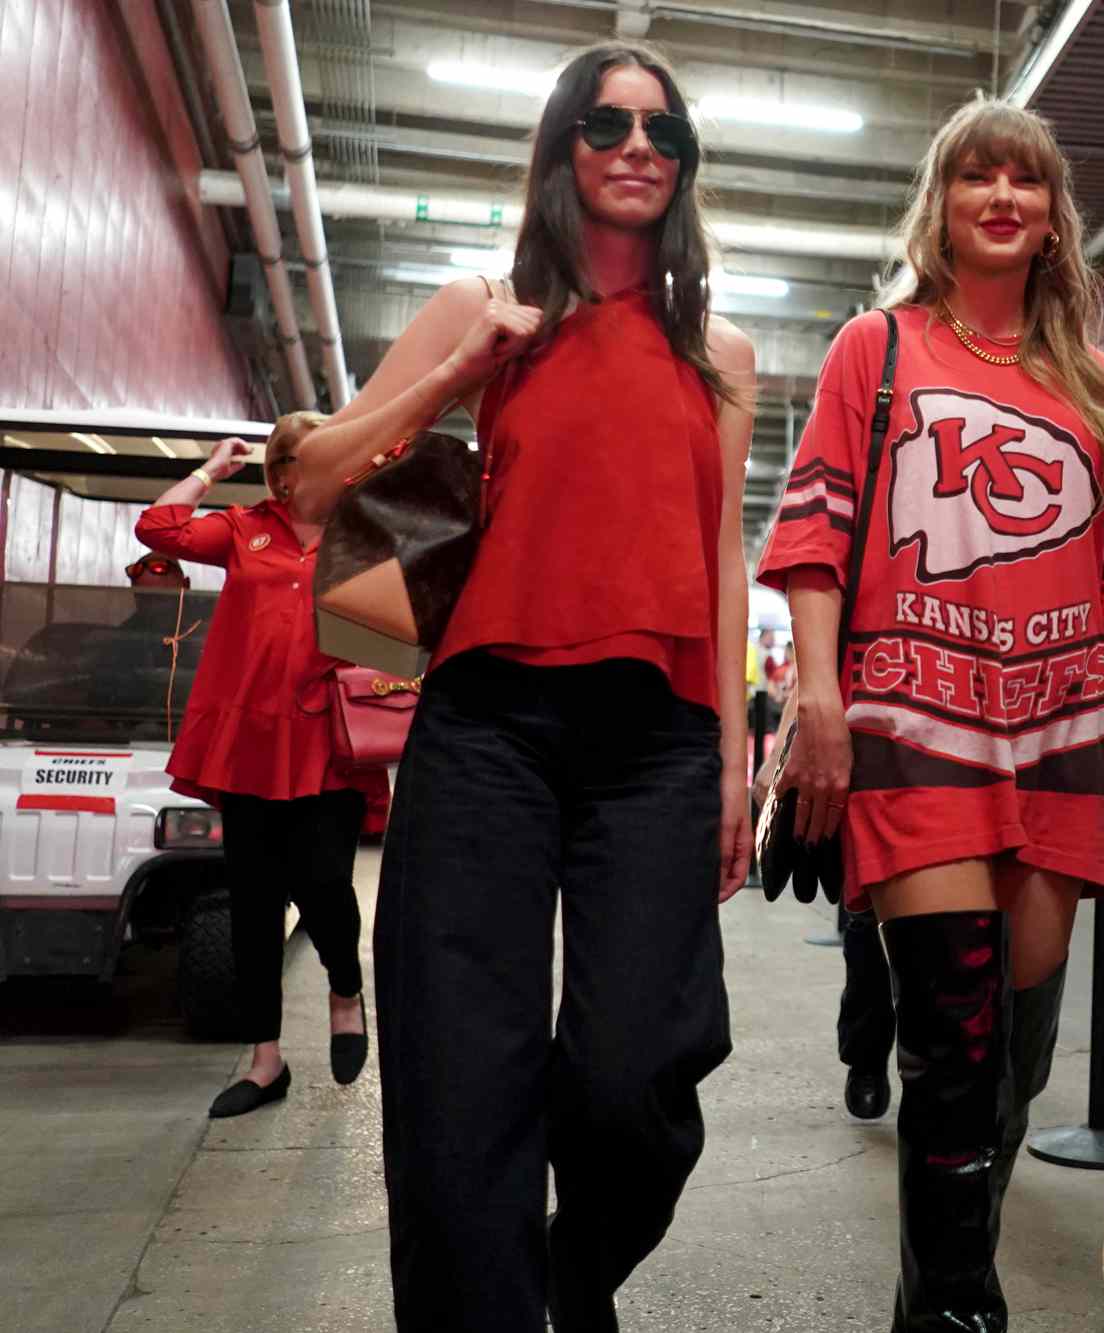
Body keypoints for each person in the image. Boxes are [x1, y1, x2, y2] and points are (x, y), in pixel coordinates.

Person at [290, 43, 755, 1332]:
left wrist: (733, 763)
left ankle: (567, 1274)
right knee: (457, 1077)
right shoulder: (478, 304)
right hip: (487, 728)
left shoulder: (720, 352)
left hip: (658, 743)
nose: (635, 145)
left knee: (635, 1075)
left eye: (662, 130)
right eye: (604, 123)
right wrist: (460, 371)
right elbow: (309, 484)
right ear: (560, 147)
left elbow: (722, 559)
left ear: (685, 165)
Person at [757, 96, 1104, 1333]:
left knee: (1013, 1046)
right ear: (941, 208)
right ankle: (961, 1304)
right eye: (977, 179)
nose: (1002, 198)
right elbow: (817, 529)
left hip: (1056, 733)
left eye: (1026, 181)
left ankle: (928, 1290)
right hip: (915, 720)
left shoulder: (1089, 379)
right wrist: (817, 693)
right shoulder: (878, 345)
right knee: (950, 1040)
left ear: (1053, 219)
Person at [134, 413, 386, 1118]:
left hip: (328, 744)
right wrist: (214, 468)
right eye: (320, 458)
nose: (336, 468)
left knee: (326, 881)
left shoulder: (362, 534)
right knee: (252, 903)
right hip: (248, 746)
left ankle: (345, 985)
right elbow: (158, 528)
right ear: (285, 472)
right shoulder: (246, 528)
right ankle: (265, 1059)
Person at [752, 706, 895, 1122]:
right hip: (877, 719)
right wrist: (783, 748)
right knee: (868, 908)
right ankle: (866, 1054)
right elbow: (812, 660)